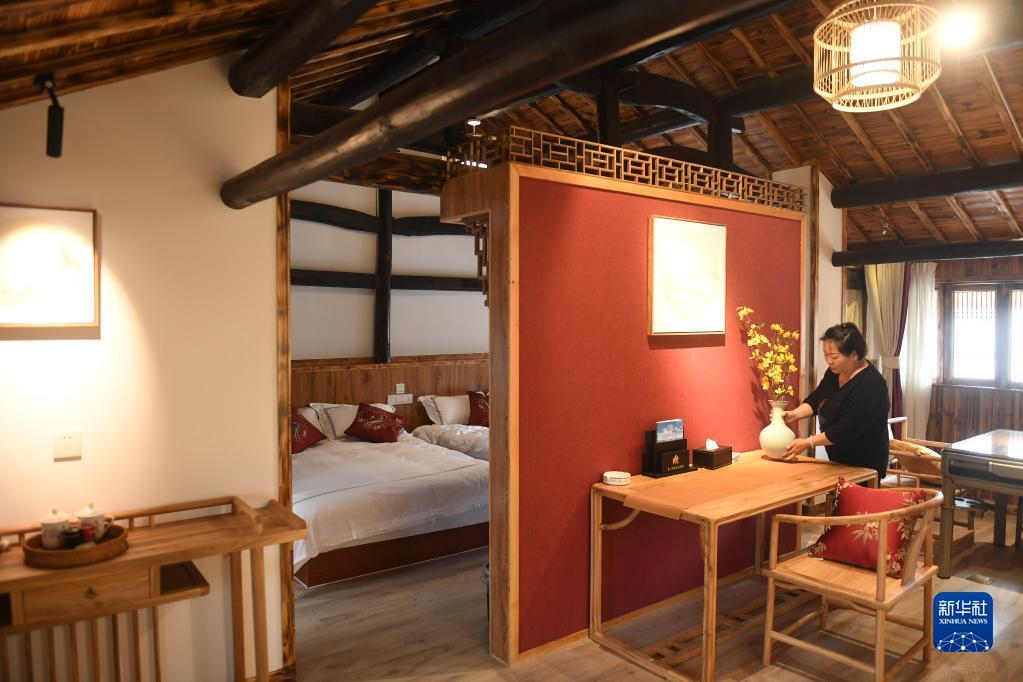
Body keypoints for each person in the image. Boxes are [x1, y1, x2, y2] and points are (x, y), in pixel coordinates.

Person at [780, 322, 891, 481]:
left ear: (854, 355)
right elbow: (817, 399)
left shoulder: (871, 386)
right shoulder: (835, 372)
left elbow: (846, 430)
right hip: (838, 461)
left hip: (864, 465)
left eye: (834, 356)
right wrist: (794, 414)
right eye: (825, 354)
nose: (829, 361)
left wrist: (808, 443)